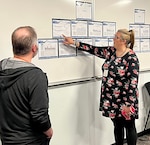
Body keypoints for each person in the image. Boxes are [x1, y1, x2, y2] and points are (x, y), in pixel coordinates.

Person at [63, 29, 139, 145]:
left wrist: (128, 104)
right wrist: (74, 42)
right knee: (117, 125)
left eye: (116, 37)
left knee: (129, 126)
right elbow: (93, 49)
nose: (113, 39)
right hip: (111, 98)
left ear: (123, 41)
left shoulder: (131, 58)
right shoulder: (111, 52)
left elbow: (133, 82)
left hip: (125, 99)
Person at [0, 26, 53, 145]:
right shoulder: (36, 76)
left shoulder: (2, 68)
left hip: (7, 139)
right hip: (31, 140)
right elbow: (39, 115)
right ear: (34, 48)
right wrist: (49, 131)